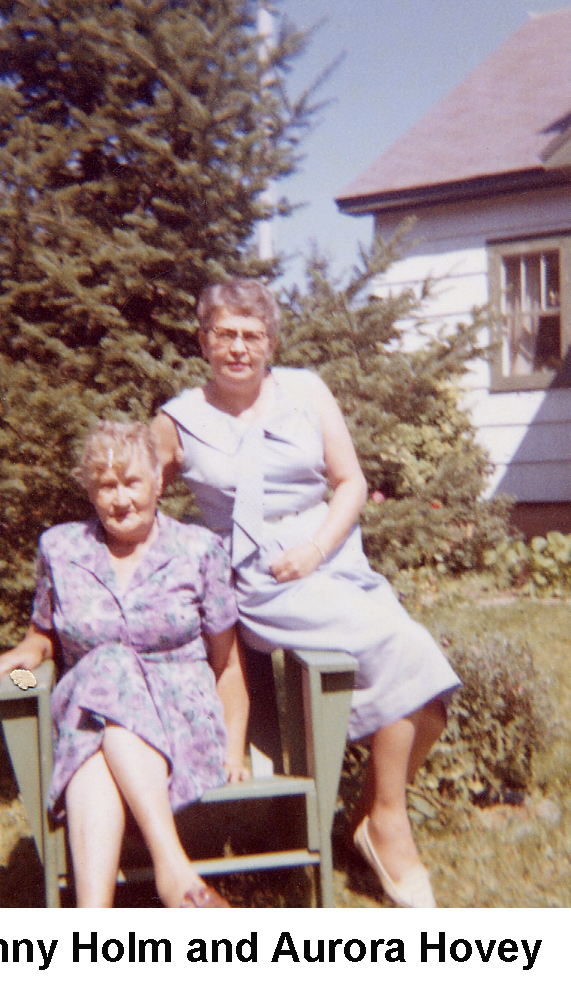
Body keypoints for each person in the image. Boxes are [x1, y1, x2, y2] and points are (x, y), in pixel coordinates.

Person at [151, 278, 461, 909]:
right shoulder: (177, 419)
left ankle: (376, 813)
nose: (239, 347)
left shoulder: (307, 390)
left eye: (252, 335)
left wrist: (318, 548)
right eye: (225, 334)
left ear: (270, 341)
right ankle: (389, 826)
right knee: (410, 648)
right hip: (263, 580)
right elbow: (137, 501)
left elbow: (350, 482)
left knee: (429, 697)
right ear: (204, 339)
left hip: (333, 558)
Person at [0, 420, 250, 908]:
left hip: (180, 716)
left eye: (131, 482)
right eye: (106, 486)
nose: (120, 499)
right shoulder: (61, 548)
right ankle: (174, 876)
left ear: (157, 481)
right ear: (90, 492)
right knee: (107, 674)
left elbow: (228, 665)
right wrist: (28, 658)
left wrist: (234, 750)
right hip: (89, 699)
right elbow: (41, 634)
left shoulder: (199, 550)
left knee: (92, 738)